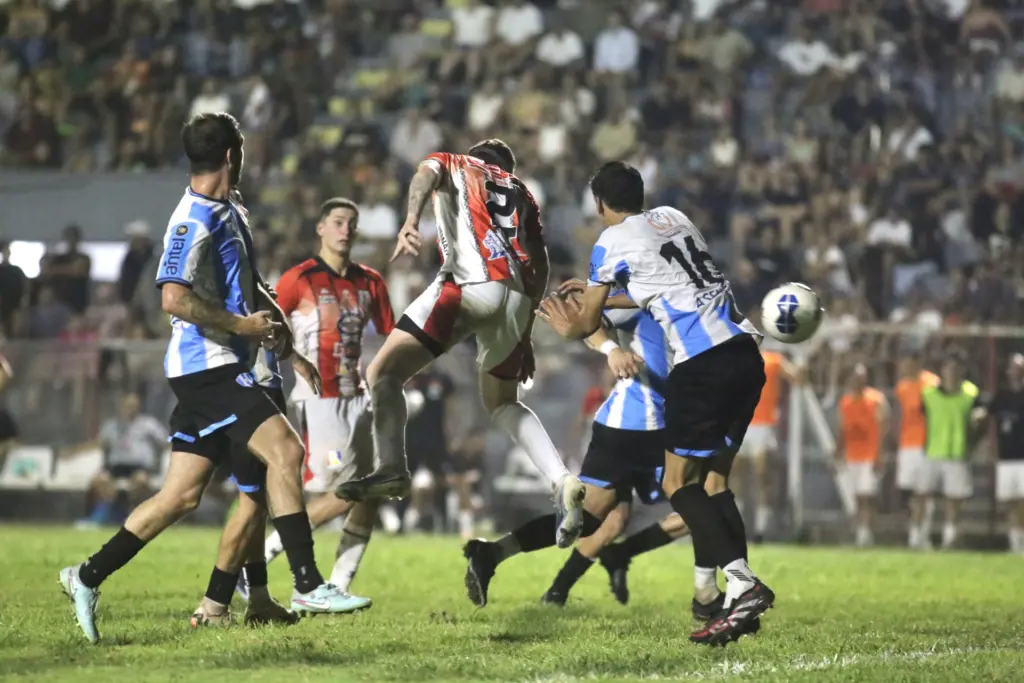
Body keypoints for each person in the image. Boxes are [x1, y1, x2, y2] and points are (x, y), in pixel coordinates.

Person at [59, 113, 365, 645]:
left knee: (181, 497)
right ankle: (308, 583)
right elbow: (172, 298)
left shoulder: (231, 207)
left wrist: (287, 345)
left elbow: (251, 283)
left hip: (226, 364)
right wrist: (240, 326)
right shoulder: (193, 218)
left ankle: (85, 576)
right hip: (206, 366)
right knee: (285, 454)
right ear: (231, 154)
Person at [535, 161, 770, 646]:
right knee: (715, 482)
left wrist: (568, 321)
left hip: (702, 362)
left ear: (599, 203)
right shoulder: (674, 218)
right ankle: (730, 601)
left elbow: (584, 324)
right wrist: (607, 297)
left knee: (677, 482)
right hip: (745, 352)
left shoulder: (610, 241)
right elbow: (669, 285)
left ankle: (743, 584)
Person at [335, 139, 587, 549]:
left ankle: (392, 468)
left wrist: (410, 220)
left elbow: (424, 174)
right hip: (514, 298)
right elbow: (539, 261)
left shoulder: (457, 163)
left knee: (382, 372)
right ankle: (561, 479)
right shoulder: (521, 193)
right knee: (502, 403)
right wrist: (523, 331)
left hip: (466, 285)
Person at [246, 197, 395, 596]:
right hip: (320, 402)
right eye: (338, 222)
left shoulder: (371, 282)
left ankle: (339, 584)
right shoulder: (299, 279)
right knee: (347, 491)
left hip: (359, 401)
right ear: (321, 228)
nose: (346, 230)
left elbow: (391, 336)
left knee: (370, 493)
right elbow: (267, 326)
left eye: (352, 223)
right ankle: (258, 563)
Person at [912, 352, 983, 550]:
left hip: (957, 453)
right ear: (942, 371)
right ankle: (917, 536)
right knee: (921, 495)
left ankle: (949, 537)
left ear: (962, 370)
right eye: (948, 368)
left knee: (954, 499)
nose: (952, 372)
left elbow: (979, 421)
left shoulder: (971, 393)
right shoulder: (929, 394)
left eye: (956, 368)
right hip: (932, 451)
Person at [732, 347, 801, 542]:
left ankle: (760, 530)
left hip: (762, 425)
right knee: (736, 476)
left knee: (762, 477)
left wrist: (802, 362)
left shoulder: (773, 360)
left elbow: (797, 377)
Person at [73, 393, 167, 527]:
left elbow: (164, 441)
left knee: (140, 481)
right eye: (126, 406)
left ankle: (135, 517)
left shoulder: (148, 424)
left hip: (139, 467)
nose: (129, 409)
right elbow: (98, 443)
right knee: (98, 480)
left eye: (132, 406)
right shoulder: (111, 426)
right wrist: (73, 451)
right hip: (116, 467)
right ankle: (100, 516)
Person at [835, 364, 889, 548]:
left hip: (869, 456)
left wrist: (879, 454)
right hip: (851, 456)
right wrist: (837, 452)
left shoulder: (876, 400)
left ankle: (866, 533)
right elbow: (842, 430)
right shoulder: (845, 402)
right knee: (856, 498)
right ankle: (860, 532)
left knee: (866, 496)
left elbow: (883, 428)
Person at [894, 355, 939, 548]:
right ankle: (914, 532)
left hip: (925, 444)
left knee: (924, 491)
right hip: (907, 444)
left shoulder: (930, 383)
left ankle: (923, 534)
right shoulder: (902, 387)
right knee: (911, 493)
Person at [983, 354, 1024, 553]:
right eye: (1013, 368)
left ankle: (1021, 539)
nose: (1016, 373)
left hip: (1023, 457)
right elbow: (990, 419)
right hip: (1005, 456)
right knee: (1009, 501)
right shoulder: (1002, 396)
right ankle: (1014, 541)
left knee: (1022, 500)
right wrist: (991, 446)